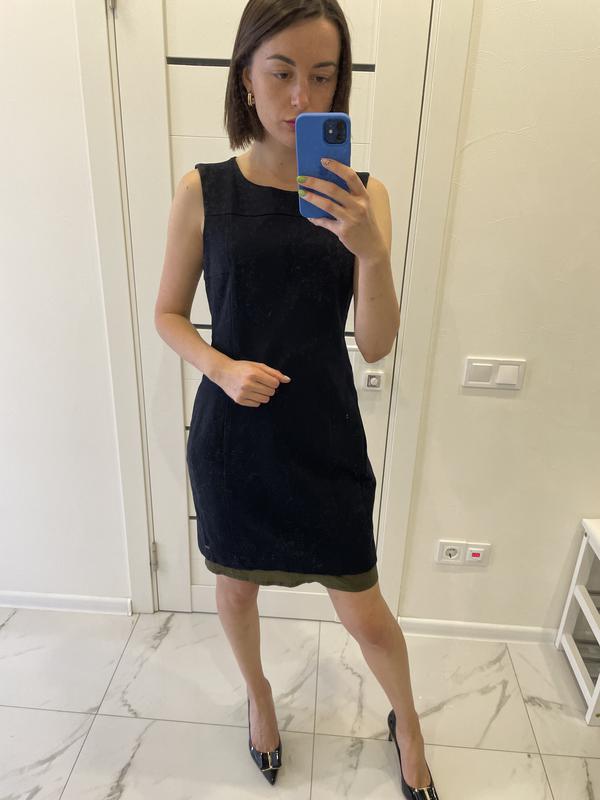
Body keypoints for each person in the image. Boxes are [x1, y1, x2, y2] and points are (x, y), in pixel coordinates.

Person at [155, 1, 439, 796]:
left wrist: (371, 254)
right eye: (281, 73)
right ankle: (259, 697)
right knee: (235, 587)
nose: (301, 98)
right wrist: (219, 367)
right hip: (234, 437)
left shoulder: (366, 195)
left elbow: (375, 344)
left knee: (364, 607)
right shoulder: (204, 190)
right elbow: (167, 314)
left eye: (323, 76)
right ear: (245, 76)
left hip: (325, 435)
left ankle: (408, 722)